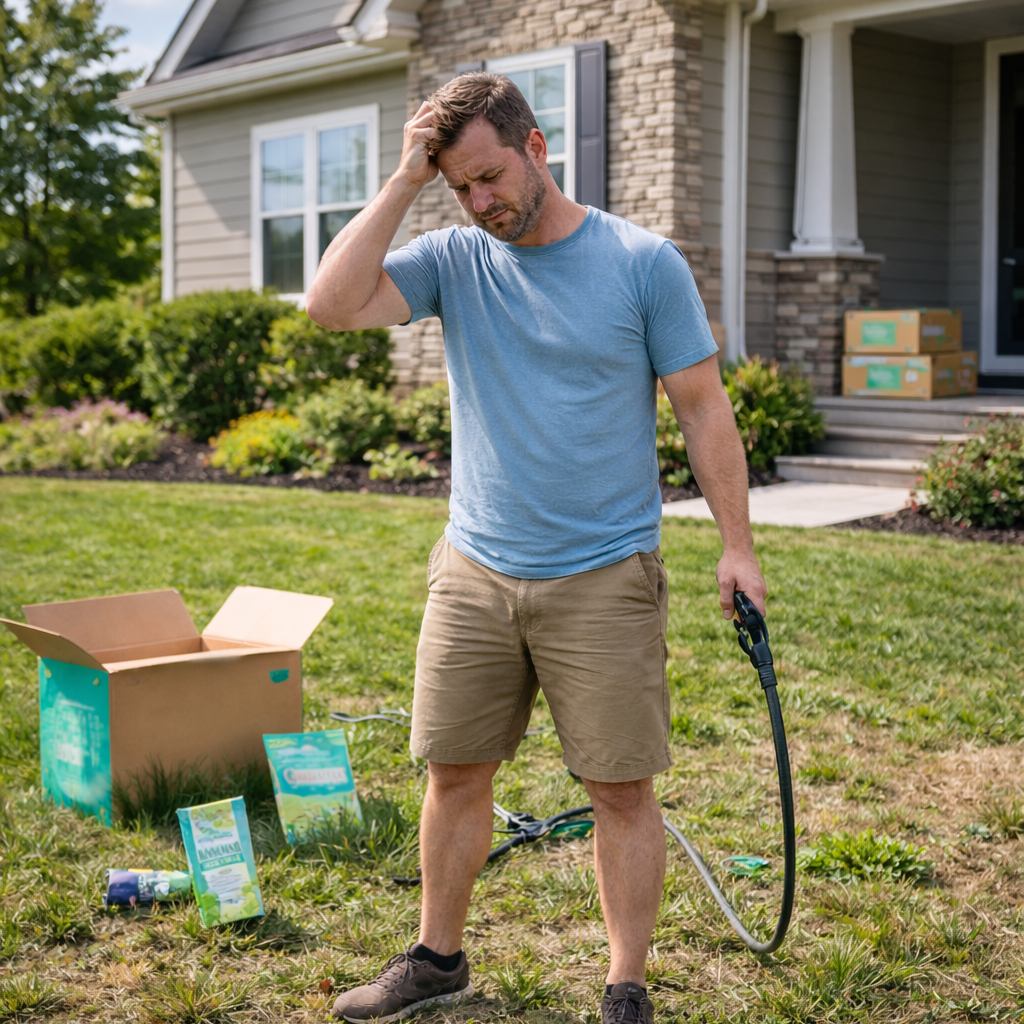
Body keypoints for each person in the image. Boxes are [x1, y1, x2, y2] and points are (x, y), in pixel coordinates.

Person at [306, 72, 767, 1024]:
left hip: (605, 572)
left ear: (537, 148)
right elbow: (330, 304)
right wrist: (405, 179)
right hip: (475, 568)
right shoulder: (454, 259)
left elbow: (703, 410)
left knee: (620, 789)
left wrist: (739, 547)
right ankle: (436, 960)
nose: (480, 202)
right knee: (453, 773)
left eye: (491, 178)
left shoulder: (642, 263)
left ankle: (625, 985)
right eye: (459, 187)